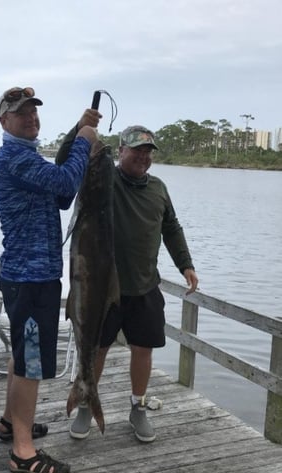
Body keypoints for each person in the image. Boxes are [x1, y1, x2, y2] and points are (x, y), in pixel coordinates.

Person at [56, 124, 199, 443]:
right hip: (102, 289)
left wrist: (185, 264)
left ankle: (138, 407)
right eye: (136, 150)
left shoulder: (159, 188)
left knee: (143, 349)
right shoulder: (105, 181)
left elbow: (171, 228)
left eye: (148, 151)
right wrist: (81, 127)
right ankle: (84, 401)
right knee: (97, 349)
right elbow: (66, 162)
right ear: (121, 151)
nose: (142, 157)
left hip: (145, 286)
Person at [0, 86, 101, 473]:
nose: (31, 118)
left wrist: (76, 132)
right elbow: (66, 182)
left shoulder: (28, 158)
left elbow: (60, 198)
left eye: (34, 112)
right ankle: (23, 450)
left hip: (30, 276)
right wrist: (85, 141)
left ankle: (10, 422)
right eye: (21, 113)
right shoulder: (14, 158)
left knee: (23, 353)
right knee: (32, 364)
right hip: (31, 277)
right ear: (4, 121)